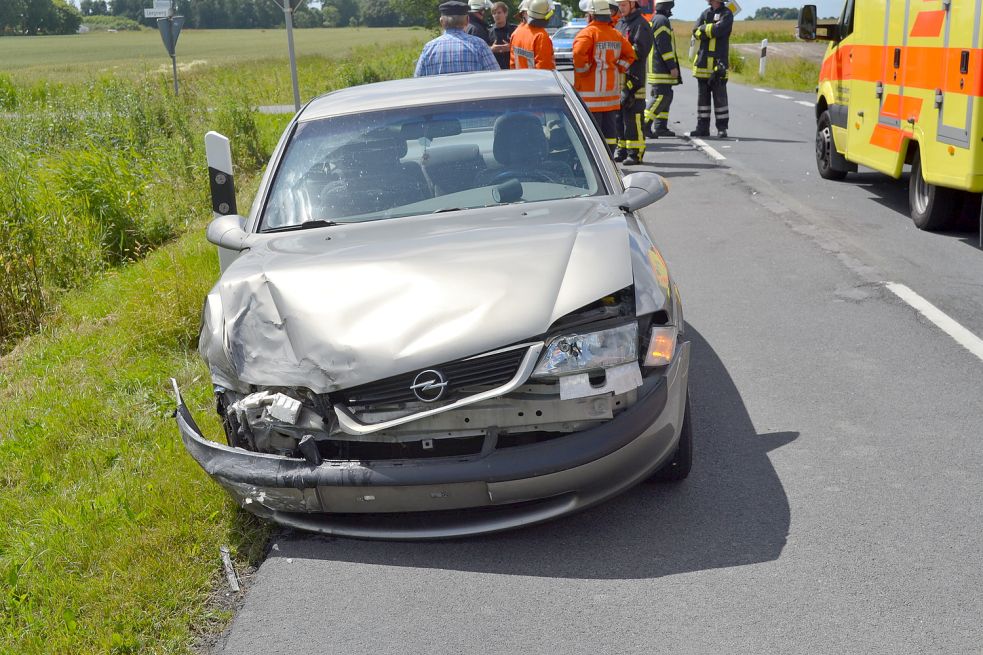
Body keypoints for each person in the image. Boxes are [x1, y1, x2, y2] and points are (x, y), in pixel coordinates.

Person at [573, 0, 636, 155]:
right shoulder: (616, 34)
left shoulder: (587, 33)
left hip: (590, 98)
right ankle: (610, 160)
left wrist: (584, 70)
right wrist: (619, 66)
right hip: (610, 97)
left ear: (592, 14)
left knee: (592, 135)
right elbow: (630, 55)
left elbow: (578, 54)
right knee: (610, 134)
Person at [414, 1, 500, 77]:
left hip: (439, 95)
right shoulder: (480, 45)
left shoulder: (429, 48)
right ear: (467, 20)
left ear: (441, 22)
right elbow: (496, 76)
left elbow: (418, 80)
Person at [614, 0, 652, 165]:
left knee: (633, 117)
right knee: (619, 117)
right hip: (619, 80)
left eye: (623, 5)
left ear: (633, 4)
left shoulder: (641, 24)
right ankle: (621, 150)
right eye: (619, 5)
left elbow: (640, 51)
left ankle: (635, 153)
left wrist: (621, 52)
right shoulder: (620, 24)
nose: (620, 8)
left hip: (634, 80)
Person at [689, 0, 733, 137]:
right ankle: (702, 128)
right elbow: (695, 32)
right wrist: (710, 29)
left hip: (718, 65)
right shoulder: (705, 13)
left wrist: (705, 29)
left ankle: (722, 128)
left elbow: (720, 30)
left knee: (720, 99)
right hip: (702, 64)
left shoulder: (727, 14)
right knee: (703, 101)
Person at [644, 0, 681, 138]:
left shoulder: (657, 19)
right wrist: (672, 66)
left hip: (657, 67)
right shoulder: (662, 20)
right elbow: (664, 46)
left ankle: (661, 127)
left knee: (666, 96)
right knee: (661, 97)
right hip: (661, 69)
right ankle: (644, 124)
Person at [510, 0, 555, 69]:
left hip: (519, 78)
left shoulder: (516, 33)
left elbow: (512, 64)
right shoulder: (541, 36)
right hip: (536, 79)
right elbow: (544, 70)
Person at [489, 2, 518, 69]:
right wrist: (491, 49)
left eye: (499, 12)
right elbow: (483, 50)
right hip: (495, 69)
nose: (496, 15)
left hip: (512, 68)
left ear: (506, 13)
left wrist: (511, 48)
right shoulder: (488, 32)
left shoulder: (515, 30)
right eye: (494, 13)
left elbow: (523, 48)